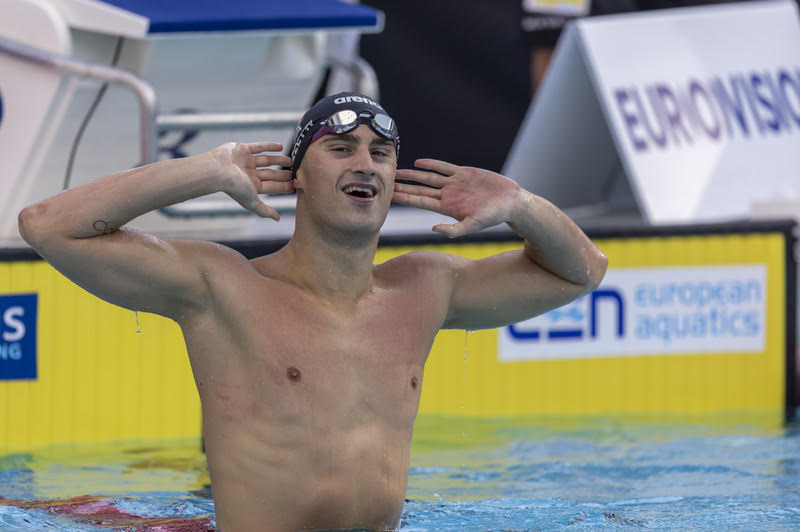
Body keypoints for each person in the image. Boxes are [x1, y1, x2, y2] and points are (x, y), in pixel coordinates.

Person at [18, 92, 607, 531]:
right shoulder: (222, 287)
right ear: (297, 174)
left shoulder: (424, 288)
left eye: (380, 152)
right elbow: (47, 227)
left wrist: (521, 205)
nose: (365, 163)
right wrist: (204, 172)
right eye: (341, 147)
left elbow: (583, 271)